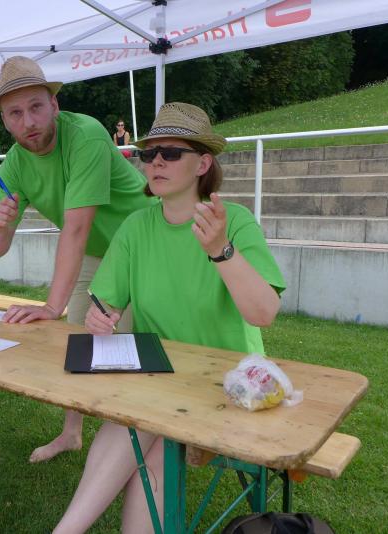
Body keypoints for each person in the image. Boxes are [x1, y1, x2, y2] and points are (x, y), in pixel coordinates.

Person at [53, 102, 286, 533]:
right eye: (149, 153)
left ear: (203, 163)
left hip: (229, 383)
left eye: (171, 153)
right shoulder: (135, 227)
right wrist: (100, 320)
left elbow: (264, 313)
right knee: (144, 427)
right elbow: (103, 306)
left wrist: (220, 250)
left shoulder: (234, 222)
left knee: (147, 433)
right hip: (157, 377)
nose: (156, 162)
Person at [0, 56, 157, 463]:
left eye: (36, 107)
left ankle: (138, 441)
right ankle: (72, 433)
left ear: (55, 105)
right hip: (98, 250)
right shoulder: (14, 163)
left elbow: (75, 228)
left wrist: (51, 306)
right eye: (16, 113)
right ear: (5, 121)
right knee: (78, 343)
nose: (29, 121)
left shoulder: (86, 135)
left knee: (126, 348)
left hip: (144, 245)